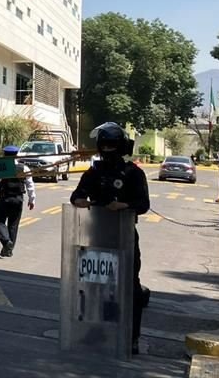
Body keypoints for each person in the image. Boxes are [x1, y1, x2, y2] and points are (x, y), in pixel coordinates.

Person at [70, 122, 150, 354]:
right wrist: (80, 201)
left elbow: (143, 204)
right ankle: (96, 330)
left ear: (121, 147)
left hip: (123, 238)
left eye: (111, 145)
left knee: (130, 288)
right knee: (95, 287)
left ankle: (131, 336)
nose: (107, 150)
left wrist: (123, 205)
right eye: (104, 145)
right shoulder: (94, 173)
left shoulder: (134, 173)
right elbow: (76, 195)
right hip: (97, 236)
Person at [0, 145, 36, 257]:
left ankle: (6, 242)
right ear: (17, 154)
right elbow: (30, 185)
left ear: (4, 155)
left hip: (4, 199)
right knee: (13, 225)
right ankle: (9, 250)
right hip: (18, 200)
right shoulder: (24, 168)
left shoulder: (0, 167)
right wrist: (32, 199)